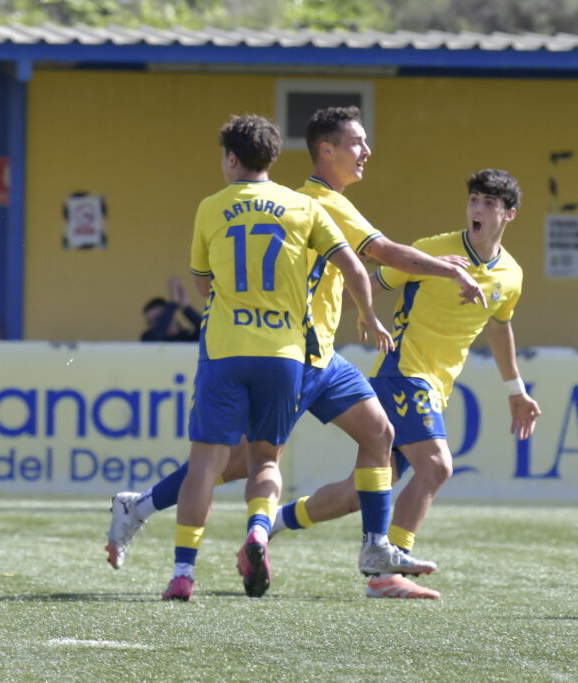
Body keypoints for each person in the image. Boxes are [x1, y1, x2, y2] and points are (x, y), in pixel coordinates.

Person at [105, 106, 484, 599]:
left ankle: (375, 550)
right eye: (356, 143)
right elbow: (383, 253)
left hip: (322, 355)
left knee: (378, 434)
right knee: (240, 462)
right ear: (326, 150)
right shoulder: (316, 203)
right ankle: (149, 510)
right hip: (294, 352)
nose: (366, 152)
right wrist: (446, 269)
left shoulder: (300, 201)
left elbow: (358, 269)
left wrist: (371, 310)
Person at [153, 113, 403, 602]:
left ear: (231, 158)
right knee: (266, 459)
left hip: (226, 352)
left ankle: (184, 571)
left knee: (206, 464)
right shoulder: (302, 205)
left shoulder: (211, 207)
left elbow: (203, 283)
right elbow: (353, 264)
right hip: (286, 353)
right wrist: (370, 317)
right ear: (273, 158)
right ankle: (259, 532)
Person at [271, 168, 542, 599]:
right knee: (437, 466)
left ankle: (270, 524)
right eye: (473, 199)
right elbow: (373, 281)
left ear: (509, 214)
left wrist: (516, 391)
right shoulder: (433, 251)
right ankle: (385, 571)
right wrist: (364, 309)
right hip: (402, 373)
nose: (477, 209)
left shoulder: (511, 275)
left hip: (435, 387)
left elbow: (499, 327)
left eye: (489, 203)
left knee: (356, 494)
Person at [140, 275, 202, 342]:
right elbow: (155, 339)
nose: (155, 324)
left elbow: (209, 331)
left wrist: (186, 308)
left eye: (159, 318)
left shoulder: (190, 336)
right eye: (149, 322)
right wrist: (174, 303)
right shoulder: (147, 337)